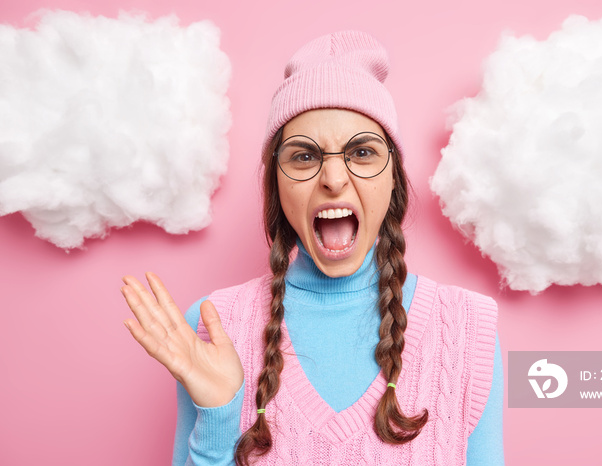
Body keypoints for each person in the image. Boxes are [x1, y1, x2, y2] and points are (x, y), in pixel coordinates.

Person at [121, 31, 504, 465]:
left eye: (362, 152)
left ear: (392, 177)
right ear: (276, 184)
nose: (334, 179)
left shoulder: (467, 330)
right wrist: (217, 417)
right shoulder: (214, 324)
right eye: (304, 157)